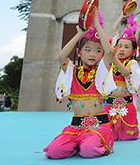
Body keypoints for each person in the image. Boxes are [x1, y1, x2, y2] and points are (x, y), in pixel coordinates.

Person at [44, 11, 116, 159]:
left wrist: (96, 23)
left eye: (98, 51)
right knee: (54, 152)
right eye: (88, 50)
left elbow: (109, 51)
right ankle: (78, 144)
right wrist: (79, 34)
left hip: (98, 125)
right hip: (76, 127)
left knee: (88, 151)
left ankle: (93, 143)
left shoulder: (101, 71)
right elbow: (61, 56)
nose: (93, 54)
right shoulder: (72, 71)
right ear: (79, 52)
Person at [104, 13, 140, 140]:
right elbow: (112, 30)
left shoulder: (132, 63)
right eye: (119, 46)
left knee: (128, 137)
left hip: (126, 105)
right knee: (107, 135)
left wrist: (113, 57)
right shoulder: (110, 62)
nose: (121, 49)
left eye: (126, 47)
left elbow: (125, 72)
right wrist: (121, 15)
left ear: (133, 51)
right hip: (109, 104)